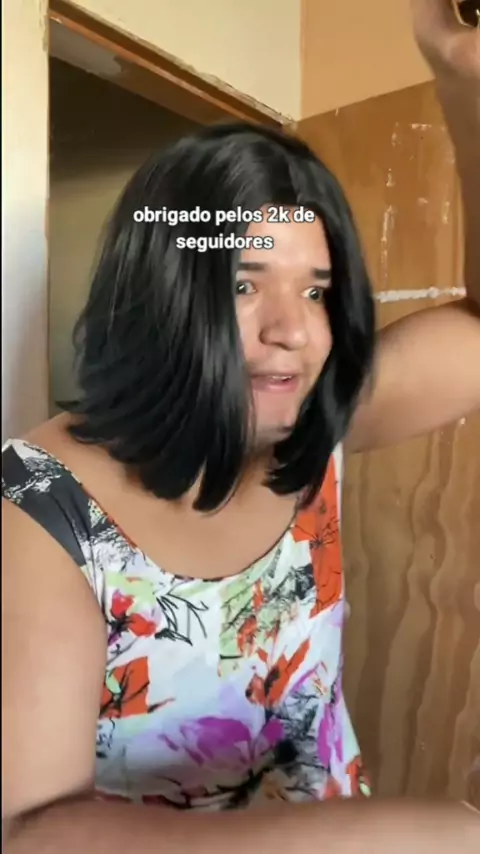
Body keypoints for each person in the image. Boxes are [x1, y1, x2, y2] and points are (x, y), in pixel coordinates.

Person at [2, 1, 480, 851]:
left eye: (317, 289)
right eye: (244, 284)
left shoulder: (308, 426)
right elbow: (32, 831)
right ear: (161, 297)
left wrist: (461, 80)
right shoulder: (38, 511)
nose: (293, 330)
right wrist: (406, 836)